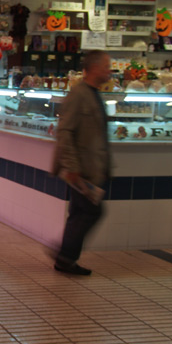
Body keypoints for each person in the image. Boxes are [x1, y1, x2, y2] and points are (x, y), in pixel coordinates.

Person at [51, 50, 113, 276]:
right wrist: (72, 166)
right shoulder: (79, 94)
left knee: (80, 213)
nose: (110, 70)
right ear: (94, 68)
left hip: (90, 167)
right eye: (107, 66)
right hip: (81, 169)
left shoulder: (94, 94)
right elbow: (65, 132)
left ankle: (64, 258)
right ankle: (64, 255)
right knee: (91, 212)